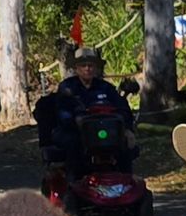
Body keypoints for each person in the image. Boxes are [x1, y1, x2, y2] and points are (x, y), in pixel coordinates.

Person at [54, 46, 135, 176]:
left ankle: (126, 180)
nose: (87, 68)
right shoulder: (67, 87)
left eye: (91, 65)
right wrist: (75, 120)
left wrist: (127, 129)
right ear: (76, 68)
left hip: (105, 131)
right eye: (83, 65)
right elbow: (62, 112)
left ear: (96, 68)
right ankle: (74, 181)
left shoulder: (106, 88)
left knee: (125, 146)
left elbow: (123, 108)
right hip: (76, 131)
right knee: (72, 144)